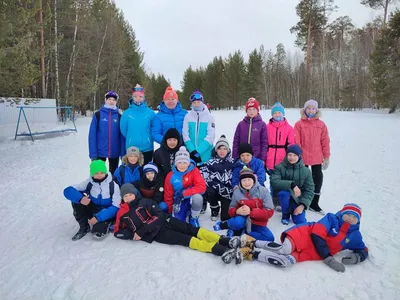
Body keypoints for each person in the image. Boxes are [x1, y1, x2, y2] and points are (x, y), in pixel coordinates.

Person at [114, 183, 243, 264]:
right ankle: (220, 249)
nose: (129, 198)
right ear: (122, 198)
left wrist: (142, 231)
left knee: (192, 229)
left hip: (166, 220)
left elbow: (158, 215)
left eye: (131, 194)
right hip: (157, 234)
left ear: (135, 194)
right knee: (186, 239)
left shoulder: (145, 202)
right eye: (126, 196)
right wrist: (132, 235)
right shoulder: (122, 214)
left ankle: (224, 240)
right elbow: (117, 232)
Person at [238, 203, 368, 272]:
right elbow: (317, 235)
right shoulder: (331, 218)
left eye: (354, 217)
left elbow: (363, 249)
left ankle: (251, 254)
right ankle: (253, 242)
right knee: (285, 250)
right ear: (342, 214)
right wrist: (328, 258)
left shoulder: (354, 235)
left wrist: (357, 257)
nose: (351, 218)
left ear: (358, 220)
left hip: (310, 253)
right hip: (304, 235)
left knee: (286, 262)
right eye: (348, 215)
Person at [63, 160, 121, 240]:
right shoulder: (89, 183)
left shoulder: (113, 186)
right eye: (96, 173)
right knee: (76, 199)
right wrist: (80, 198)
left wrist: (98, 218)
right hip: (93, 209)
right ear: (92, 174)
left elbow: (116, 207)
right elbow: (68, 190)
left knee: (98, 233)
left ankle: (108, 222)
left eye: (102, 172)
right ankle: (84, 227)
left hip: (106, 212)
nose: (100, 175)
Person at [213, 167, 274, 241]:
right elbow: (231, 209)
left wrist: (251, 212)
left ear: (254, 180)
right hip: (242, 220)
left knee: (269, 238)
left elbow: (269, 211)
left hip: (258, 222)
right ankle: (227, 225)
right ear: (240, 182)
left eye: (249, 180)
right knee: (238, 222)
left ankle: (243, 234)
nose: (247, 183)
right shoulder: (237, 192)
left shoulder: (263, 191)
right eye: (244, 180)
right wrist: (236, 211)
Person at [294, 99, 330, 214]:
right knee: (302, 179)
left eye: (313, 108)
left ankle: (314, 203)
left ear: (316, 110)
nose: (310, 110)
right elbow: (296, 141)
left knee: (317, 179)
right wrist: (298, 155)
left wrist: (326, 157)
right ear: (304, 110)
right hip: (303, 157)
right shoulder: (299, 124)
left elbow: (325, 141)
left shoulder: (321, 125)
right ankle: (301, 201)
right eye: (308, 108)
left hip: (316, 157)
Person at [270, 144, 314, 225]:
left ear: (299, 156)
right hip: (283, 198)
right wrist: (292, 185)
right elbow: (274, 182)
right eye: (289, 155)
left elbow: (309, 190)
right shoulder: (279, 167)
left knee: (300, 221)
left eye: (294, 155)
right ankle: (285, 213)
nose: (291, 157)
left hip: (297, 199)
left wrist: (302, 205)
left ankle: (294, 209)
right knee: (284, 193)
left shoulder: (306, 171)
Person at [163, 146, 206, 227]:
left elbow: (202, 187)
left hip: (190, 198)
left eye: (185, 162)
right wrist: (169, 212)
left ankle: (194, 217)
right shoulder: (170, 175)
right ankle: (185, 212)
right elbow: (168, 195)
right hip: (178, 201)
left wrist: (184, 193)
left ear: (189, 162)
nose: (182, 165)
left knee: (198, 198)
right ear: (175, 163)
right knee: (179, 223)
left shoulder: (194, 170)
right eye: (179, 162)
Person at [266, 102, 294, 211]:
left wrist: (289, 158)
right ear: (272, 115)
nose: (277, 115)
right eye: (275, 113)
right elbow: (265, 143)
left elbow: (291, 144)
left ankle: (282, 200)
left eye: (279, 113)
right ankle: (274, 200)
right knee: (273, 180)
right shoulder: (267, 127)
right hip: (270, 158)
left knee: (281, 181)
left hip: (282, 159)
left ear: (283, 114)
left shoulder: (289, 128)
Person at [200, 135, 235, 221]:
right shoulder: (210, 162)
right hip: (214, 190)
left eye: (224, 149)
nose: (222, 151)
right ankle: (214, 209)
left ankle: (225, 208)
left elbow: (237, 177)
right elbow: (202, 177)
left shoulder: (233, 162)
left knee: (225, 218)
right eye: (219, 148)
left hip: (228, 192)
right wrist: (215, 184)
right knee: (209, 191)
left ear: (228, 150)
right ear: (216, 150)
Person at [88, 91, 124, 174]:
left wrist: (123, 153)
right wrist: (93, 154)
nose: (111, 101)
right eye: (109, 99)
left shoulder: (119, 116)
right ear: (105, 100)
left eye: (113, 100)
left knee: (114, 174)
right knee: (99, 174)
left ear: (116, 101)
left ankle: (112, 186)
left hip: (115, 151)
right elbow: (92, 136)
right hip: (100, 151)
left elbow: (122, 136)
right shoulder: (98, 115)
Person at [120, 84, 155, 165]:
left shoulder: (150, 113)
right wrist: (131, 138)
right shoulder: (126, 113)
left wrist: (148, 139)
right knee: (133, 172)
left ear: (144, 98)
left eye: (140, 96)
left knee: (147, 172)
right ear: (132, 97)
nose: (138, 99)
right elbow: (123, 130)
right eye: (135, 96)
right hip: (132, 147)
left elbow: (154, 128)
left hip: (147, 148)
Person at [182, 89, 215, 166]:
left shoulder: (209, 117)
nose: (196, 104)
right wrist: (192, 151)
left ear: (202, 102)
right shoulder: (187, 117)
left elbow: (210, 137)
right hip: (191, 155)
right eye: (194, 102)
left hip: (206, 156)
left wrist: (198, 152)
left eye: (198, 102)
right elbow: (185, 135)